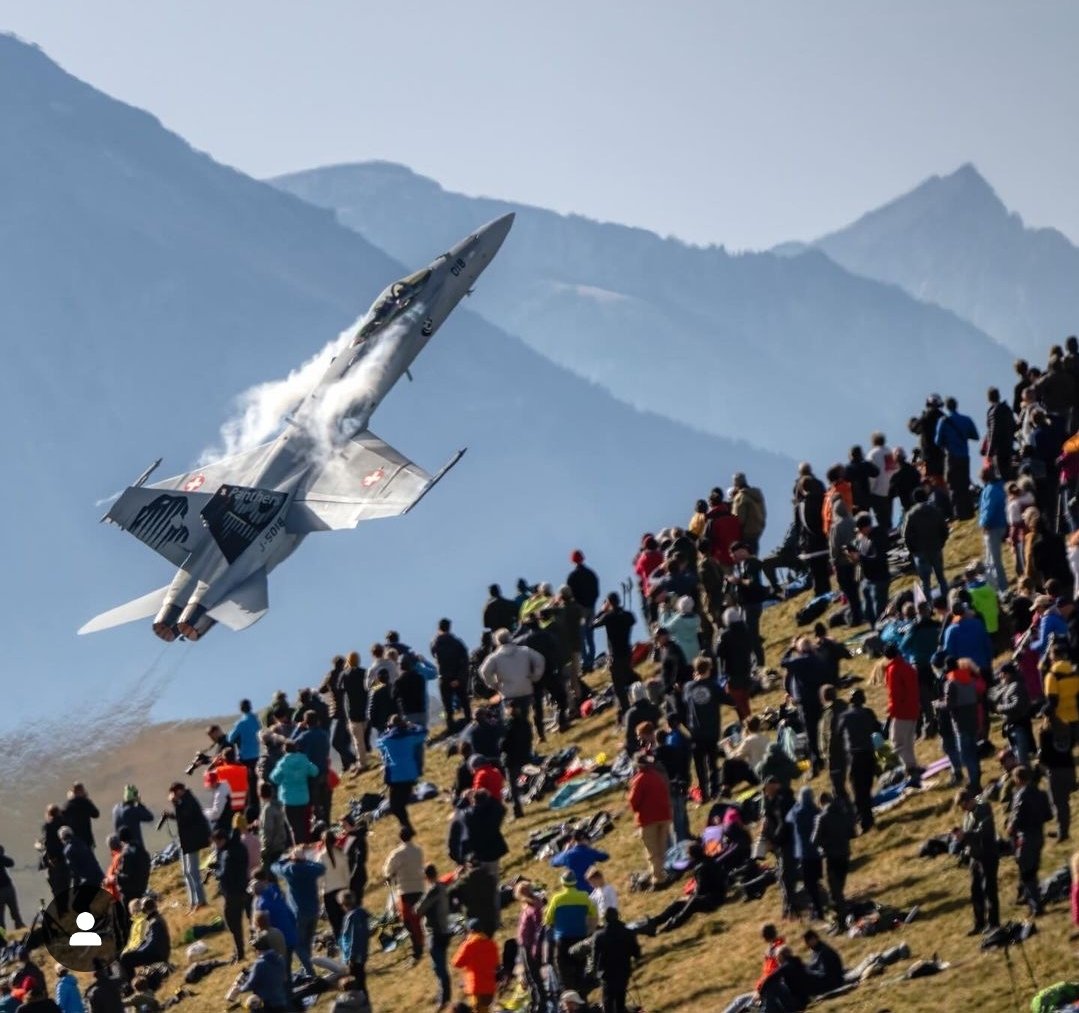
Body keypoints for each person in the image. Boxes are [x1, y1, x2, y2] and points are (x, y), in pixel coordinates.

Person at [683, 656, 731, 800]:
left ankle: (704, 794)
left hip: (695, 732)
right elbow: (729, 701)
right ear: (709, 669)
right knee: (712, 763)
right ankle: (715, 790)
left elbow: (685, 701)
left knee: (699, 765)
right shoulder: (714, 686)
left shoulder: (688, 687)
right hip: (712, 731)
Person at [1007, 765, 1052, 917]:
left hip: (1025, 837)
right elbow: (1049, 815)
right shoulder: (1041, 793)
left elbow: (1016, 818)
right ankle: (1032, 900)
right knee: (1033, 870)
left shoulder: (1020, 795)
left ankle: (1036, 906)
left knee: (1027, 873)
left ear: (1018, 779)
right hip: (1039, 835)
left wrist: (1011, 827)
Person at [273, 846, 325, 978]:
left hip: (298, 913)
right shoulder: (310, 869)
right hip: (313, 910)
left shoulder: (289, 870)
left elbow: (274, 866)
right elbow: (321, 867)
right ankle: (306, 968)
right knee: (307, 942)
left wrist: (287, 858)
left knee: (297, 944)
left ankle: (309, 971)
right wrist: (306, 860)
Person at [543, 871, 597, 995]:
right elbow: (594, 915)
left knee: (565, 978)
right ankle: (582, 1001)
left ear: (562, 883)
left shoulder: (557, 898)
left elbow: (548, 920)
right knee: (579, 973)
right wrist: (589, 930)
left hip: (562, 941)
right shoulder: (584, 897)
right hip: (581, 940)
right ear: (575, 882)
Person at [954, 788, 999, 934]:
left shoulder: (984, 810)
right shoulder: (968, 815)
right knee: (976, 892)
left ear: (969, 801)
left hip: (987, 855)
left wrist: (965, 835)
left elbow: (984, 833)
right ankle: (979, 923)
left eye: (963, 805)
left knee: (989, 891)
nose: (962, 809)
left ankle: (993, 923)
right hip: (975, 857)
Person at [478, 628, 544, 722]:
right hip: (525, 689)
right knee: (524, 716)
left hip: (508, 692)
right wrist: (535, 676)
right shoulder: (524, 650)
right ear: (510, 638)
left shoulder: (495, 657)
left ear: (497, 641)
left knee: (513, 720)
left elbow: (483, 671)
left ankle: (519, 734)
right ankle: (526, 732)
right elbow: (540, 660)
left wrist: (493, 684)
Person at [837, 690, 879, 833]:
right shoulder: (868, 713)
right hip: (869, 754)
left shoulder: (845, 716)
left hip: (854, 756)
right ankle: (869, 818)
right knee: (866, 789)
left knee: (858, 791)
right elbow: (877, 728)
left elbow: (837, 735)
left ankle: (864, 822)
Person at [627, 755, 672, 887]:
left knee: (652, 851)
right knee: (661, 848)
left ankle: (658, 880)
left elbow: (634, 801)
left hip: (648, 819)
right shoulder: (657, 776)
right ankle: (661, 873)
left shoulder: (639, 780)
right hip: (664, 816)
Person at [781, 638, 825, 774]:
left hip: (805, 702)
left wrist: (790, 649)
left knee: (810, 734)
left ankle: (816, 763)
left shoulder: (801, 661)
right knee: (820, 729)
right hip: (817, 699)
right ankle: (822, 756)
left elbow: (783, 662)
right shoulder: (817, 659)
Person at [592, 592, 638, 718]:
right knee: (629, 676)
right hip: (627, 652)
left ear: (609, 603)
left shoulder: (608, 616)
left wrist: (602, 611)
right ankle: (639, 696)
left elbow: (593, 624)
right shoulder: (627, 615)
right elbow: (633, 620)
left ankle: (626, 711)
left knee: (619, 687)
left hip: (615, 655)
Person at [810, 792, 852, 929]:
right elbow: (852, 832)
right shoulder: (843, 813)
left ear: (821, 803)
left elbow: (814, 841)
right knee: (839, 887)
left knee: (835, 891)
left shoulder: (821, 818)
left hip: (832, 856)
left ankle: (842, 921)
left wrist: (823, 846)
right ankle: (843, 917)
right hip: (845, 854)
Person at [383, 826, 425, 962]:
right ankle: (421, 942)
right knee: (417, 918)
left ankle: (417, 947)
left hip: (405, 890)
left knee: (408, 921)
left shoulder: (397, 853)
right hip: (419, 887)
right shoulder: (418, 850)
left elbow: (388, 870)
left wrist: (389, 875)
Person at [378, 716, 426, 833]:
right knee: (400, 804)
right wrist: (412, 725)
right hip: (410, 775)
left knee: (395, 806)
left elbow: (379, 742)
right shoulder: (410, 736)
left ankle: (407, 828)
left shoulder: (386, 740)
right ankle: (407, 828)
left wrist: (388, 730)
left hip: (395, 777)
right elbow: (423, 731)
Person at [940, 657, 983, 791]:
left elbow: (949, 705)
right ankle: (976, 779)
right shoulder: (969, 680)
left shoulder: (951, 683)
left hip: (960, 724)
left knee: (966, 755)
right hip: (973, 721)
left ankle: (973, 783)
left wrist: (937, 704)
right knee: (973, 753)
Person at [902, 488, 950, 602]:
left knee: (925, 582)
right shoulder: (935, 510)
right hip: (936, 548)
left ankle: (928, 607)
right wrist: (941, 543)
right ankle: (947, 601)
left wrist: (912, 550)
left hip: (920, 552)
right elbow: (944, 529)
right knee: (941, 577)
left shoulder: (911, 514)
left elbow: (906, 535)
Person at [882, 645, 921, 785]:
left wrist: (891, 710)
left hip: (901, 711)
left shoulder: (893, 670)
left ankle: (911, 769)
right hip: (913, 709)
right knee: (908, 742)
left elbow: (895, 694)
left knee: (897, 742)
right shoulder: (908, 666)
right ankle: (912, 766)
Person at [935, 396, 979, 519]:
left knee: (953, 486)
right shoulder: (966, 419)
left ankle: (959, 513)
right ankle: (969, 512)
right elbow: (975, 436)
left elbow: (938, 441)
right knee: (965, 484)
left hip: (951, 457)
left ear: (946, 407)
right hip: (965, 455)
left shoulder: (943, 421)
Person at [590, 907, 640, 1013]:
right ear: (618, 916)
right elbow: (637, 953)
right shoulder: (628, 933)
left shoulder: (598, 936)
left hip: (606, 975)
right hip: (623, 972)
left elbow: (594, 958)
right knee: (620, 1001)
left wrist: (594, 973)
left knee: (607, 1002)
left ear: (605, 919)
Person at [210, 827, 250, 962]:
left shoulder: (227, 854)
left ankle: (240, 952)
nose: (216, 845)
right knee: (243, 920)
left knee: (232, 923)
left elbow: (225, 874)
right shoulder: (241, 847)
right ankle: (243, 949)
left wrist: (215, 872)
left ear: (222, 840)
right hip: (243, 888)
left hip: (232, 893)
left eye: (216, 842)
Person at [416, 864, 452, 1010]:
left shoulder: (432, 890)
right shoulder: (443, 886)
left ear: (425, 876)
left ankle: (444, 998)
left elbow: (419, 909)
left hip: (434, 932)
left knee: (439, 967)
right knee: (440, 965)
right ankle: (443, 995)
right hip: (444, 930)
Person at [269, 741, 319, 845]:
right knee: (304, 826)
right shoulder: (304, 760)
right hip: (303, 799)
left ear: (284, 750)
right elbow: (315, 771)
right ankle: (307, 847)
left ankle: (298, 849)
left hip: (288, 800)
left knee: (294, 828)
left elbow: (274, 778)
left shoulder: (283, 763)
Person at [786, 787, 824, 921]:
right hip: (817, 853)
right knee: (816, 882)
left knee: (809, 885)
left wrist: (797, 803)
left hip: (804, 854)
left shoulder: (797, 812)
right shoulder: (816, 811)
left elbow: (788, 818)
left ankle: (817, 911)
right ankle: (819, 907)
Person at [1038, 715, 1075, 842]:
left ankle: (1063, 833)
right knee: (1065, 802)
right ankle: (1063, 829)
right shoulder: (1068, 729)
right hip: (1069, 770)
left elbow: (1044, 758)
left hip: (1055, 772)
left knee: (1058, 804)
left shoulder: (1045, 733)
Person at [850, 512, 891, 625]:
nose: (859, 532)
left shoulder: (878, 537)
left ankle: (882, 633)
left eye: (860, 529)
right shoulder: (862, 538)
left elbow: (879, 559)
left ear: (867, 526)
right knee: (867, 611)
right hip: (867, 579)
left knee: (879, 610)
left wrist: (860, 558)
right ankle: (875, 630)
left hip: (879, 579)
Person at [431, 618, 473, 730]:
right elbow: (465, 660)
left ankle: (451, 728)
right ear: (450, 628)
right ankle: (470, 724)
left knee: (448, 707)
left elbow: (433, 653)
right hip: (457, 677)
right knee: (465, 703)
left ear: (439, 628)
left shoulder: (435, 642)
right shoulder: (457, 642)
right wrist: (459, 678)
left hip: (443, 678)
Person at [451, 920, 500, 1013]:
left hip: (476, 987)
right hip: (490, 987)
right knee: (485, 1010)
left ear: (471, 930)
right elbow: (496, 963)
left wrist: (464, 943)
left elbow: (456, 963)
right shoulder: (492, 943)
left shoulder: (469, 945)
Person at [119, 897, 170, 983]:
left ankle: (131, 983)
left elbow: (152, 944)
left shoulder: (155, 923)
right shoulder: (156, 919)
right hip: (158, 953)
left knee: (125, 958)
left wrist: (138, 951)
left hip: (156, 955)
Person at [828, 499, 862, 626]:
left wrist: (833, 561)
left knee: (849, 592)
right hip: (855, 562)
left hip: (842, 564)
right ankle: (858, 614)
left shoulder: (835, 527)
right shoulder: (853, 522)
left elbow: (834, 548)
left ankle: (855, 618)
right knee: (855, 590)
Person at [515, 881, 547, 1012]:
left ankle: (541, 1004)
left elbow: (538, 930)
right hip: (524, 945)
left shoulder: (534, 907)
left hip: (530, 946)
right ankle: (534, 1001)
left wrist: (535, 947)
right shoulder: (528, 905)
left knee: (534, 977)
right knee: (529, 976)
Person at [568, 549, 601, 673]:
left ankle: (586, 662)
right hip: (591, 608)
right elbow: (596, 592)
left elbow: (571, 596)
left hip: (580, 611)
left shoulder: (572, 577)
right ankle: (590, 662)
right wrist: (591, 603)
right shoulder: (591, 574)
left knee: (581, 637)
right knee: (590, 636)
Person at [239, 933, 289, 1013]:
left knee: (252, 1002)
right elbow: (284, 978)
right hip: (282, 1001)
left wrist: (240, 988)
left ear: (257, 949)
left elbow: (250, 985)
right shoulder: (280, 959)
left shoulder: (259, 964)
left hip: (267, 1004)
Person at [979, 466, 1009, 592]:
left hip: (993, 527)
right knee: (992, 559)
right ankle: (997, 586)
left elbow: (988, 509)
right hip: (1003, 524)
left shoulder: (990, 490)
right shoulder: (1002, 486)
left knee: (994, 560)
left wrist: (983, 523)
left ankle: (1001, 588)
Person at [340, 651, 370, 771]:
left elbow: (339, 688)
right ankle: (366, 758)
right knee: (364, 736)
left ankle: (362, 763)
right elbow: (373, 685)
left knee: (358, 741)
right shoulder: (364, 672)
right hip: (365, 709)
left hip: (352, 711)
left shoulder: (345, 675)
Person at [338, 891, 370, 995]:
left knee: (355, 985)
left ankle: (360, 1005)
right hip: (361, 955)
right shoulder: (360, 914)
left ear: (343, 904)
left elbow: (354, 938)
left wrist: (351, 957)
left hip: (354, 957)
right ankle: (364, 1004)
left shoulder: (352, 916)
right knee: (360, 982)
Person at [732, 472, 767, 555]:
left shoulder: (741, 497)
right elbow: (764, 512)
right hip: (757, 530)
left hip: (746, 533)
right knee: (754, 557)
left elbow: (739, 519)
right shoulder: (757, 495)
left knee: (746, 559)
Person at [258, 781, 293, 866]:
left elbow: (268, 830)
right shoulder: (279, 806)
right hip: (280, 843)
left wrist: (265, 848)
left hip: (271, 847)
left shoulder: (268, 809)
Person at [111, 785, 153, 852]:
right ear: (135, 797)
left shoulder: (115, 809)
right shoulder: (132, 810)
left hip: (121, 848)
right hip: (135, 848)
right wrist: (139, 804)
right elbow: (150, 817)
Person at [802, 930, 844, 996]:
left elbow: (825, 973)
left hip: (833, 981)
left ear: (814, 939)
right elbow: (815, 965)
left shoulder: (824, 951)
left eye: (807, 941)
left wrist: (809, 973)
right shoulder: (816, 950)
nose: (806, 944)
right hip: (828, 978)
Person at [0, 845, 24, 931]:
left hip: (7, 888)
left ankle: (2, 939)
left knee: (1, 919)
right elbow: (11, 863)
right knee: (15, 913)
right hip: (7, 888)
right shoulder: (1, 858)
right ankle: (22, 931)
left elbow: (10, 863)